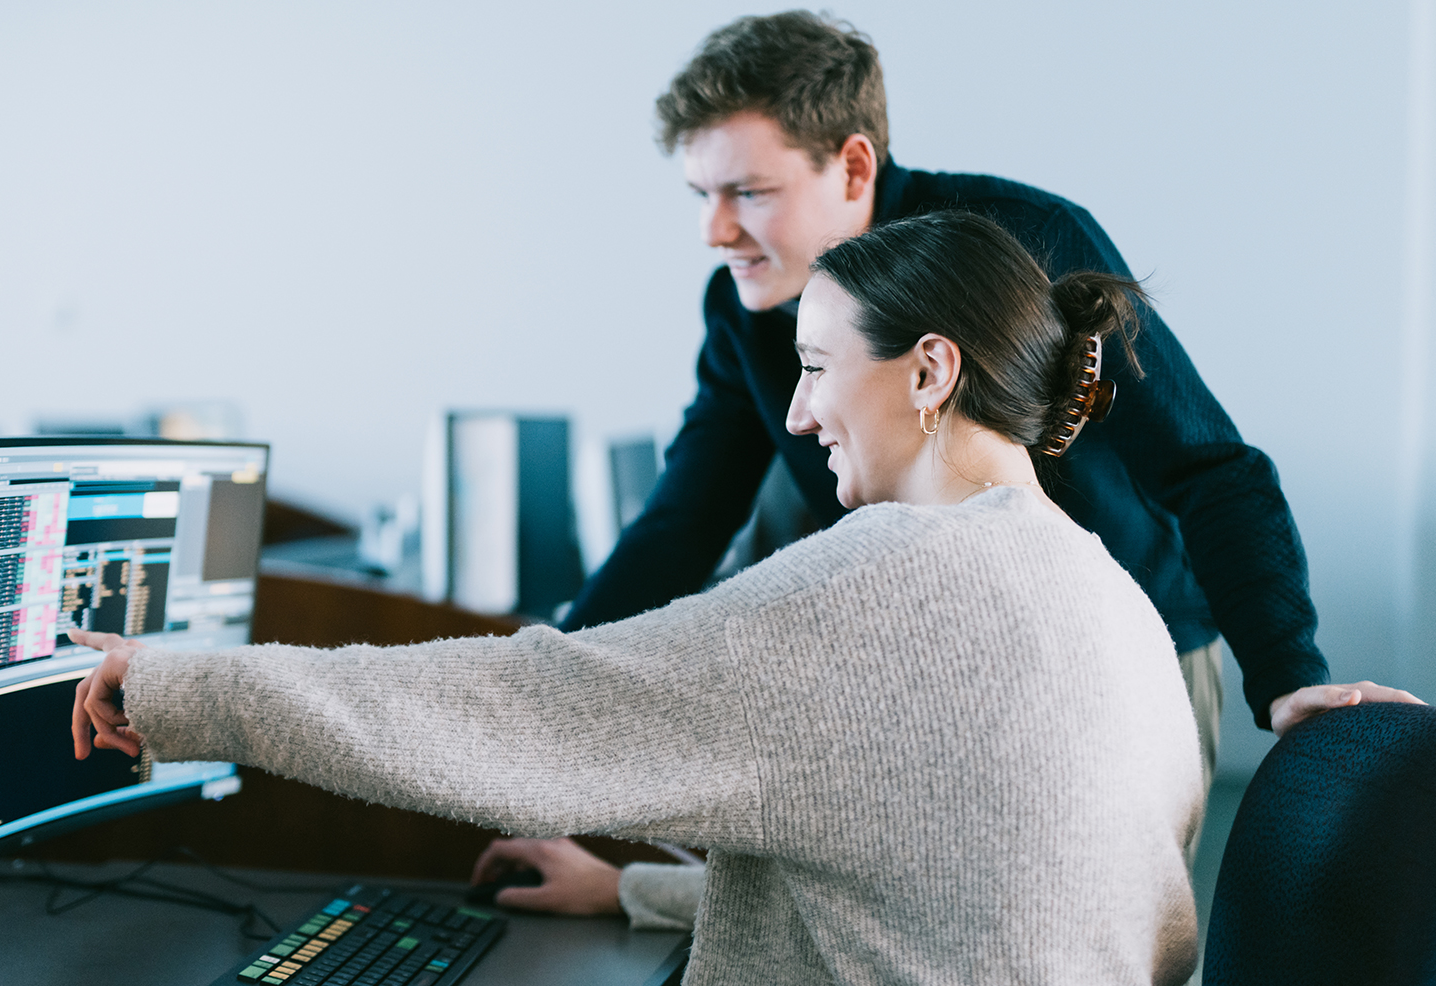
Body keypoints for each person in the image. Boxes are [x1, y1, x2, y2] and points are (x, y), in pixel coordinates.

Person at [73, 212, 1206, 985]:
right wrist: (640, 890)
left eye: (815, 366)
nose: (798, 415)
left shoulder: (886, 582)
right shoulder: (1111, 595)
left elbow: (529, 705)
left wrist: (179, 687)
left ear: (927, 371)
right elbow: (944, 874)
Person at [509, 9, 1426, 931]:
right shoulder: (746, 302)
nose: (715, 230)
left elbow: (1212, 470)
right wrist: (552, 692)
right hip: (935, 655)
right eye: (700, 194)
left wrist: (1285, 677)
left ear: (854, 166)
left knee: (1073, 930)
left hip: (1124, 654)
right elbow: (684, 518)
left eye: (747, 192)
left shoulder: (1025, 241)